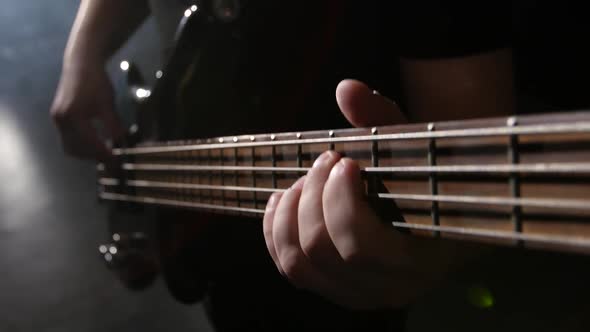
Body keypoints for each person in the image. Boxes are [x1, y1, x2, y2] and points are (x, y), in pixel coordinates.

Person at [51, 1, 523, 330]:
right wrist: (83, 50)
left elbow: (479, 178)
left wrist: (432, 258)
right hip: (205, 216)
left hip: (325, 275)